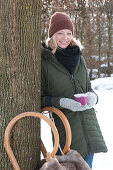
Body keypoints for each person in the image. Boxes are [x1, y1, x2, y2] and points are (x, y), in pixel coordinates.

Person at [41, 12, 108, 169]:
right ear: (52, 34)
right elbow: (41, 98)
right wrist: (62, 102)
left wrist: (93, 97)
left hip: (89, 128)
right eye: (60, 33)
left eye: (69, 33)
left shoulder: (79, 56)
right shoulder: (45, 61)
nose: (65, 38)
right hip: (67, 130)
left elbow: (88, 88)